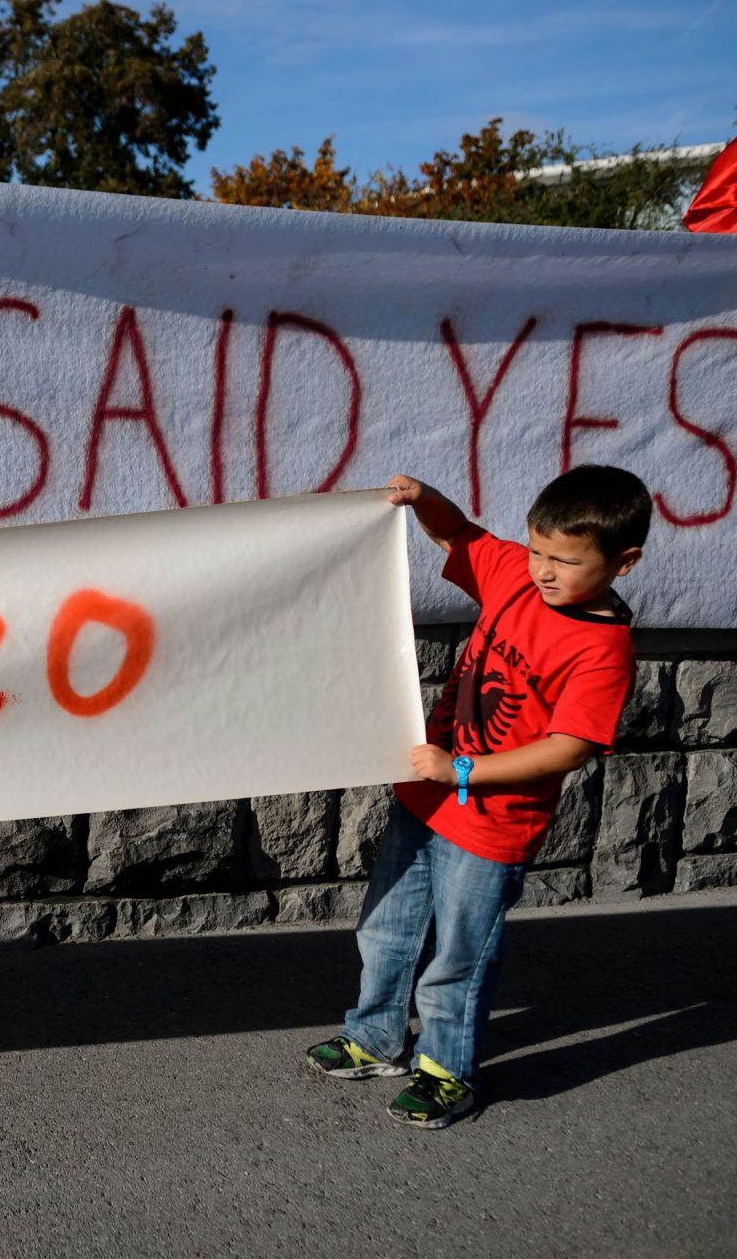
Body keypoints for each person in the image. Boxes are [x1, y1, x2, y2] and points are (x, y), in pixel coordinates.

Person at [305, 465, 650, 1128]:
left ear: (623, 563)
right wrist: (423, 500)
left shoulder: (604, 651)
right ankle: (376, 1037)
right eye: (537, 549)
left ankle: (446, 1072)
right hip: (424, 798)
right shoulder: (516, 575)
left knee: (460, 955)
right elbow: (457, 535)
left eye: (566, 560)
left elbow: (569, 746)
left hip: (491, 824)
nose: (544, 570)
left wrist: (460, 771)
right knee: (386, 929)